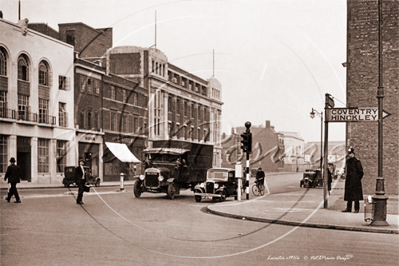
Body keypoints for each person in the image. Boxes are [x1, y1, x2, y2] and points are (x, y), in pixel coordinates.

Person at [342, 147, 364, 213]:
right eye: (349, 154)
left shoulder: (357, 161)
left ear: (353, 154)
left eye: (351, 154)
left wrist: (357, 179)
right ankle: (348, 208)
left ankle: (356, 209)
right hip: (349, 181)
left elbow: (361, 172)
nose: (350, 155)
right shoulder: (348, 161)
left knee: (356, 196)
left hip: (355, 182)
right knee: (349, 195)